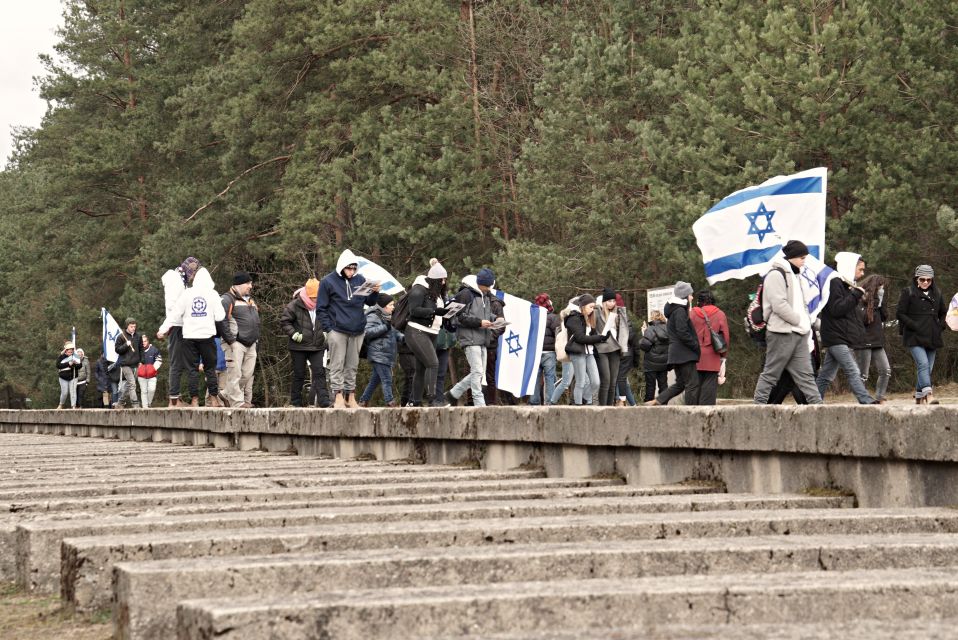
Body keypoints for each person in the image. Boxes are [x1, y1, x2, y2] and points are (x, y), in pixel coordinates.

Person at [752, 241, 823, 404]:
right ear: (791, 257)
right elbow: (779, 305)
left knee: (807, 377)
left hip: (799, 334)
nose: (804, 261)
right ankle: (757, 408)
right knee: (771, 374)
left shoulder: (795, 275)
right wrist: (799, 320)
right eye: (802, 258)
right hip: (781, 333)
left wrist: (805, 324)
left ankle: (819, 408)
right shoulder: (776, 274)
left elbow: (800, 304)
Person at [317, 249, 381, 408]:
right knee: (337, 364)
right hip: (337, 329)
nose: (351, 272)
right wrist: (329, 329)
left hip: (357, 329)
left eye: (354, 268)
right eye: (348, 268)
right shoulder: (328, 282)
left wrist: (375, 293)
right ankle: (338, 396)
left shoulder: (360, 279)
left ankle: (350, 396)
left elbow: (370, 303)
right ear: (342, 267)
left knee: (352, 365)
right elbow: (321, 308)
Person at [158, 266, 229, 407]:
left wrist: (163, 329)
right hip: (207, 336)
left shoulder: (187, 293)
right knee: (210, 368)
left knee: (192, 369)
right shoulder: (213, 294)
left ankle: (195, 400)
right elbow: (221, 316)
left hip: (189, 336)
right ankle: (214, 399)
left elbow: (175, 313)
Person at [815, 252, 876, 404]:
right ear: (850, 266)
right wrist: (855, 295)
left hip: (840, 336)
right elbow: (836, 309)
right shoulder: (835, 282)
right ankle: (866, 400)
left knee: (826, 375)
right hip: (836, 336)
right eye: (860, 269)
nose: (862, 273)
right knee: (852, 370)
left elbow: (849, 314)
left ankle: (813, 402)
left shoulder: (845, 284)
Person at [445, 270, 498, 407]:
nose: (489, 289)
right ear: (482, 284)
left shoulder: (484, 295)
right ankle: (479, 402)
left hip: (482, 338)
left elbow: (484, 313)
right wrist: (479, 323)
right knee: (477, 372)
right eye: (488, 286)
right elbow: (460, 317)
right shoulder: (465, 294)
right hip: (470, 338)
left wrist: (496, 319)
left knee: (479, 373)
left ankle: (453, 394)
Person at [897, 264, 947, 404]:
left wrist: (940, 326)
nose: (925, 282)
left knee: (927, 368)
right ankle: (928, 394)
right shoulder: (908, 292)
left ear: (932, 280)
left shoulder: (937, 293)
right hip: (914, 336)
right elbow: (900, 313)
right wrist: (914, 325)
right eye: (922, 279)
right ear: (916, 279)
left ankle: (919, 396)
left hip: (932, 335)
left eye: (928, 280)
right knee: (923, 364)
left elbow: (943, 312)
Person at [646, 281, 700, 406]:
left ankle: (658, 400)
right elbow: (682, 332)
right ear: (684, 295)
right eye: (690, 294)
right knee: (693, 384)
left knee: (681, 384)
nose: (692, 297)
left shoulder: (674, 310)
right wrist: (695, 345)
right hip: (684, 354)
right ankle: (691, 412)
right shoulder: (680, 310)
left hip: (677, 354)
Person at [280, 278, 331, 408]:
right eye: (313, 297)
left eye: (317, 296)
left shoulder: (324, 304)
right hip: (299, 346)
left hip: (318, 345)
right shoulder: (294, 305)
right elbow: (285, 322)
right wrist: (294, 334)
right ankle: (295, 402)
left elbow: (329, 319)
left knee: (319, 372)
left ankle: (324, 402)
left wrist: (326, 332)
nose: (315, 299)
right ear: (307, 294)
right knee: (299, 373)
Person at [405, 259, 449, 407]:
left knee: (421, 368)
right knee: (433, 363)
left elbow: (438, 310)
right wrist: (434, 311)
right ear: (435, 280)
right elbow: (414, 310)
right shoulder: (419, 289)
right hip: (417, 331)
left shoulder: (437, 293)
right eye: (442, 280)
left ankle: (416, 402)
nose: (444, 283)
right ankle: (433, 400)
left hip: (432, 332)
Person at [160, 257, 201, 407]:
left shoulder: (181, 281)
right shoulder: (175, 281)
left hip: (186, 325)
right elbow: (173, 306)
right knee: (177, 364)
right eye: (192, 272)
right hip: (177, 325)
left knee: (190, 363)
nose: (193, 275)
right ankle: (174, 400)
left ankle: (193, 398)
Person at [221, 271, 261, 408]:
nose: (250, 286)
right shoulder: (227, 299)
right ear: (238, 284)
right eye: (248, 283)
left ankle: (226, 393)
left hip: (251, 343)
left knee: (247, 374)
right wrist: (231, 341)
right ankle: (237, 403)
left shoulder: (249, 300)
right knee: (235, 373)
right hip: (235, 342)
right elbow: (221, 321)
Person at [358, 293, 400, 407]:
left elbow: (392, 331)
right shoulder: (374, 316)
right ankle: (390, 401)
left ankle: (363, 400)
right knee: (387, 378)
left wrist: (403, 337)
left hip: (384, 353)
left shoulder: (385, 317)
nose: (393, 307)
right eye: (391, 305)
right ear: (384, 306)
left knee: (375, 380)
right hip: (378, 353)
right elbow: (367, 332)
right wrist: (384, 327)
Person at [688, 289, 729, 405]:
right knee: (708, 393)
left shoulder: (692, 314)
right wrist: (723, 356)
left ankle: (692, 418)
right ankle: (706, 420)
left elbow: (685, 334)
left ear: (699, 301)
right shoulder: (720, 314)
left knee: (693, 391)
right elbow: (725, 337)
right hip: (712, 358)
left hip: (694, 357)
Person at [564, 294, 606, 405]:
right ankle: (578, 407)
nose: (592, 310)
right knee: (581, 382)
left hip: (589, 352)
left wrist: (603, 335)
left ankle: (583, 399)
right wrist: (599, 338)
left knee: (596, 382)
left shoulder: (588, 318)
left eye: (593, 307)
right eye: (590, 307)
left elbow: (590, 336)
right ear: (582, 305)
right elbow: (580, 338)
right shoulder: (573, 318)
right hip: (577, 352)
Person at [855, 274, 891, 404]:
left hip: (877, 340)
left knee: (885, 370)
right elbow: (864, 319)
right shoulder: (859, 299)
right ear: (873, 287)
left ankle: (880, 396)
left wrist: (881, 302)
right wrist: (875, 302)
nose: (882, 290)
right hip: (863, 341)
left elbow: (884, 317)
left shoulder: (877, 301)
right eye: (880, 287)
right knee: (863, 374)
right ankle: (863, 399)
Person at [594, 287, 631, 406]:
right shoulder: (597, 312)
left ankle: (610, 407)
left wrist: (623, 347)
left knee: (613, 382)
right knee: (606, 380)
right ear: (604, 302)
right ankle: (602, 407)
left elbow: (623, 330)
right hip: (602, 349)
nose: (612, 303)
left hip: (615, 348)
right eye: (609, 301)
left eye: (613, 301)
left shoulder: (618, 313)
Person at [530, 293, 559, 406]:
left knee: (535, 378)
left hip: (535, 352)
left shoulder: (532, 317)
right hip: (549, 352)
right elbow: (557, 333)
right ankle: (550, 402)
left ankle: (534, 402)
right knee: (550, 378)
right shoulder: (552, 317)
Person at [639, 310, 669, 403]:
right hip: (664, 363)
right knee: (663, 385)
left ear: (653, 318)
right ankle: (664, 404)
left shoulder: (651, 329)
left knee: (650, 386)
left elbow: (645, 346)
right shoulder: (668, 328)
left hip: (651, 364)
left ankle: (649, 406)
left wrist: (643, 333)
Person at [114, 318, 143, 408]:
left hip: (136, 363)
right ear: (127, 326)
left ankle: (120, 402)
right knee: (132, 384)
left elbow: (141, 349)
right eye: (131, 326)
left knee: (128, 385)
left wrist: (141, 361)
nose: (133, 328)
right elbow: (117, 350)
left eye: (134, 326)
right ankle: (135, 403)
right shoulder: (121, 336)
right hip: (125, 364)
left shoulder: (138, 336)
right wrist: (126, 345)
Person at [137, 334, 163, 408]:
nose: (143, 343)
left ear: (148, 341)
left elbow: (159, 360)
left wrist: (153, 368)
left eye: (145, 341)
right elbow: (134, 360)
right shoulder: (138, 351)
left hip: (152, 375)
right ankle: (145, 407)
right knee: (144, 391)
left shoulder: (154, 350)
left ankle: (149, 403)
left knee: (152, 390)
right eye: (142, 342)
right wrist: (138, 367)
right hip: (141, 375)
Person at [56, 341, 80, 409]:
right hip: (63, 377)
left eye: (71, 351)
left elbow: (79, 366)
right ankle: (61, 404)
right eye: (68, 351)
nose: (70, 353)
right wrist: (68, 364)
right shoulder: (61, 357)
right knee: (65, 392)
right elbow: (58, 365)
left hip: (73, 377)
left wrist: (74, 364)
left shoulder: (75, 356)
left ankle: (73, 406)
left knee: (73, 392)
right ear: (66, 351)